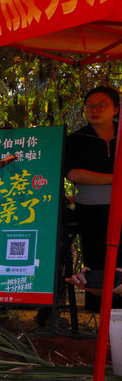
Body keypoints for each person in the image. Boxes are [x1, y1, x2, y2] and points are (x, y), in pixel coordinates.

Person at [65, 85, 120, 309]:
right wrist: (114, 179)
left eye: (101, 105)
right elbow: (74, 173)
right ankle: (99, 308)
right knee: (98, 256)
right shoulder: (77, 138)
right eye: (90, 106)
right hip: (92, 209)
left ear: (116, 109)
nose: (94, 109)